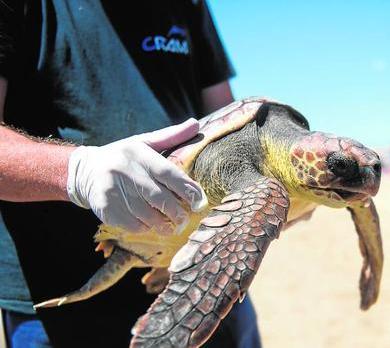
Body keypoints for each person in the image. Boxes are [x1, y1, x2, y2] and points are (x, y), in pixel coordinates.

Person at [0, 1, 261, 347]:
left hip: (200, 271)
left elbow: (231, 120)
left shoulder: (189, 6)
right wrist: (78, 171)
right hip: (58, 301)